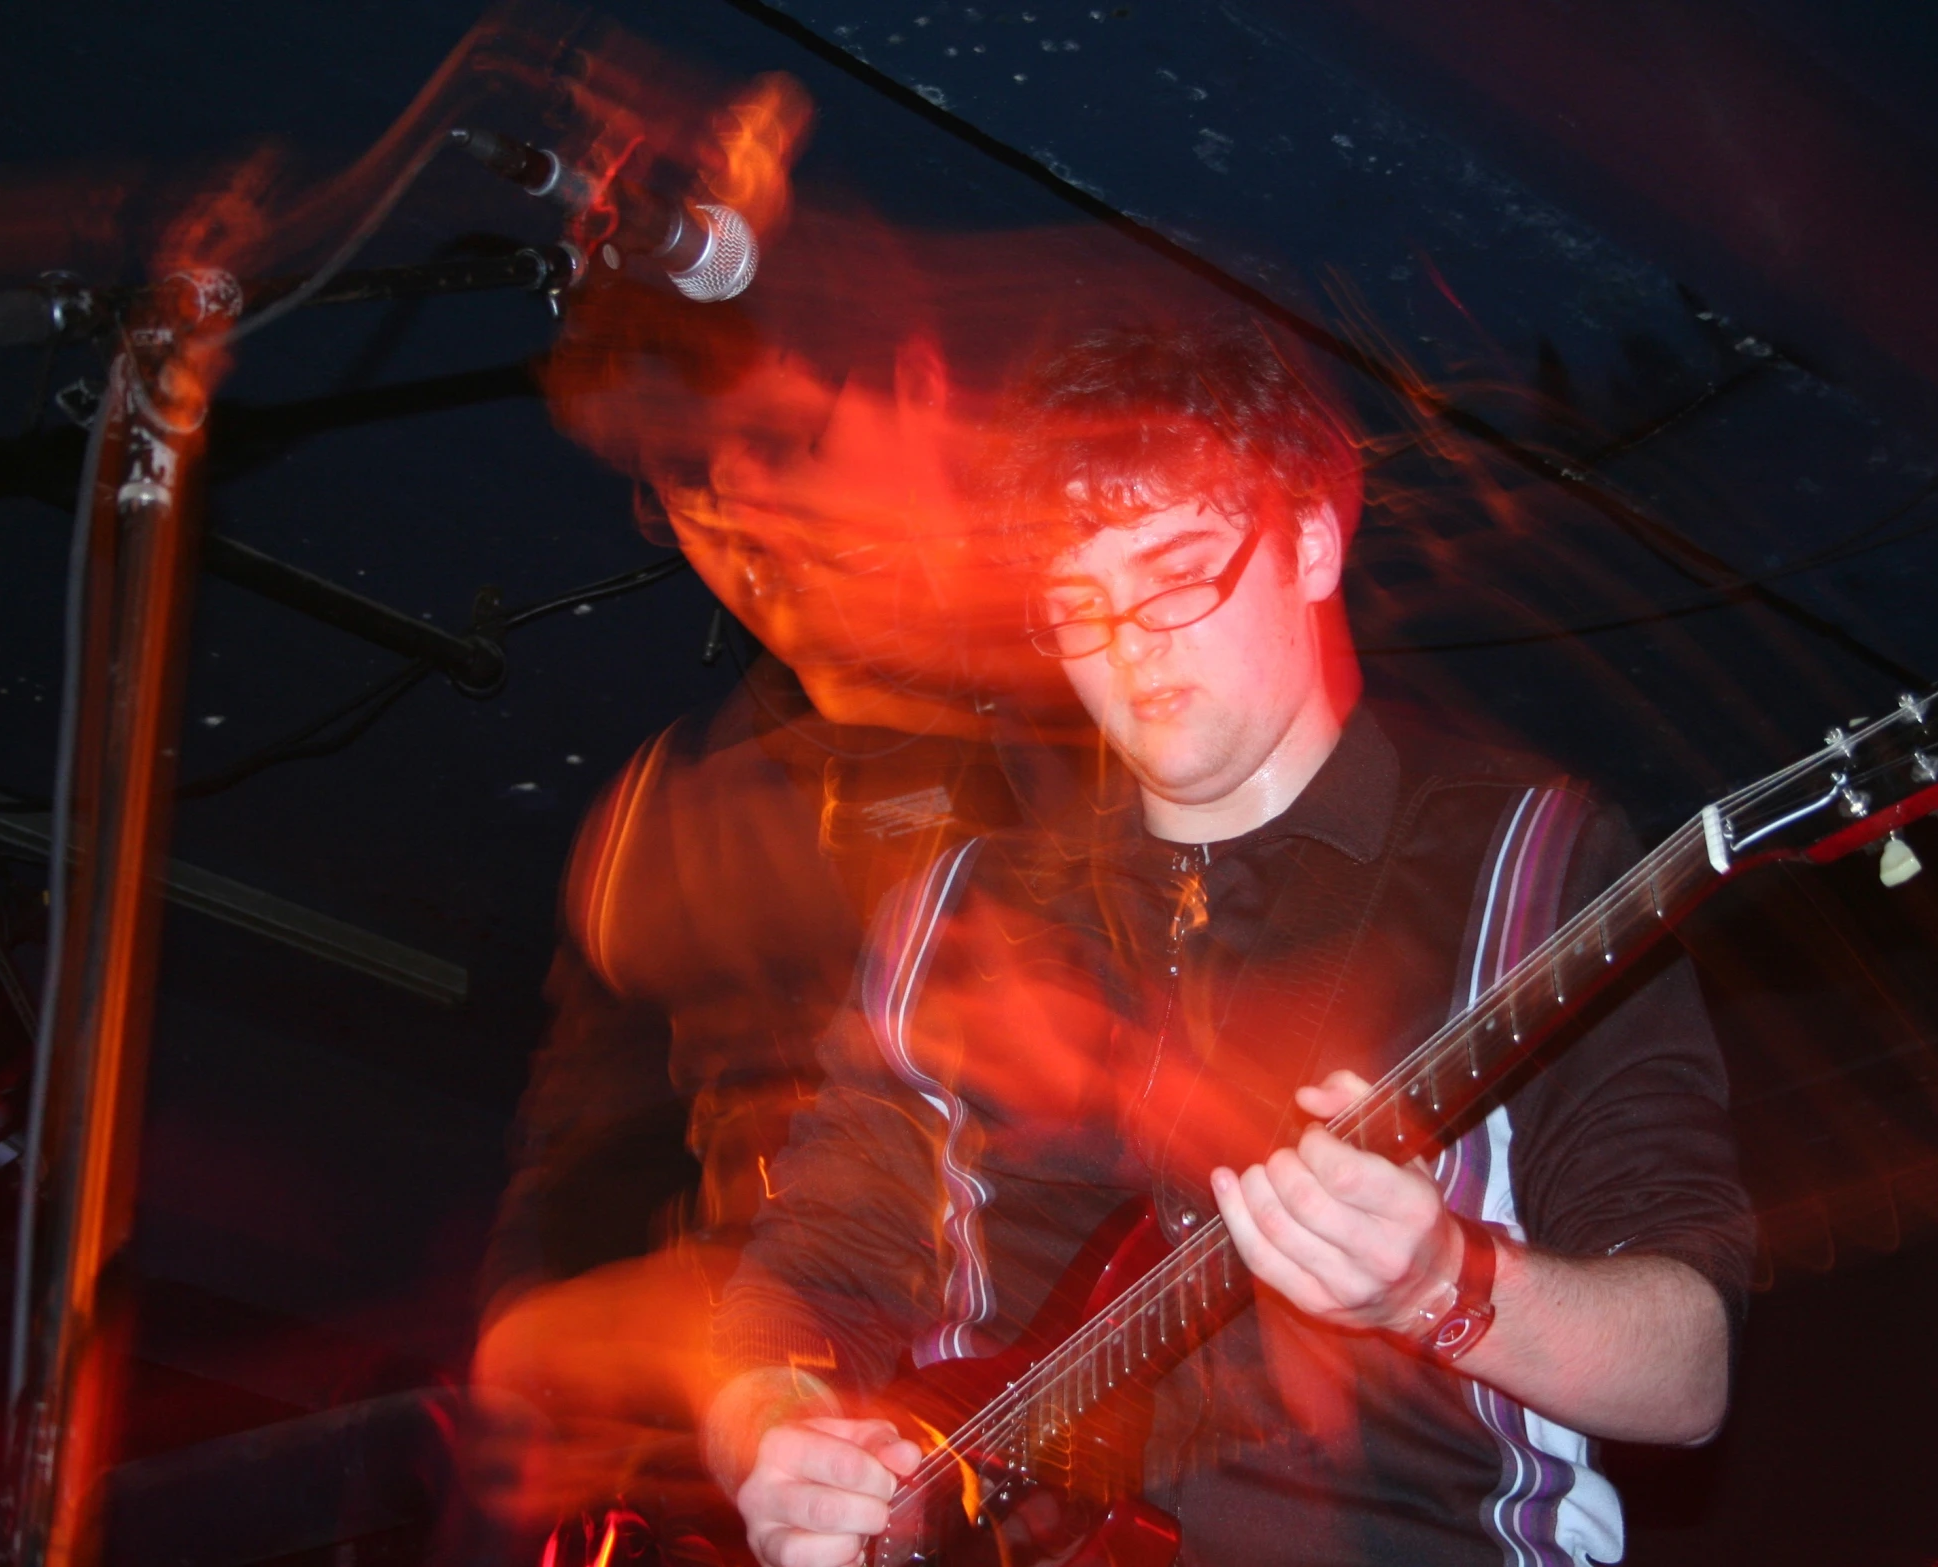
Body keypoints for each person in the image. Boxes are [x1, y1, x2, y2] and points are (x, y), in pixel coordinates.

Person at [699, 320, 1755, 1566]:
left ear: (1310, 541)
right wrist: (780, 1433)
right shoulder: (959, 912)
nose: (1131, 640)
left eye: (1179, 569)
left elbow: (1686, 1374)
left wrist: (1441, 1288)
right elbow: (800, 1280)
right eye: (1077, 601)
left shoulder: (1532, 862)